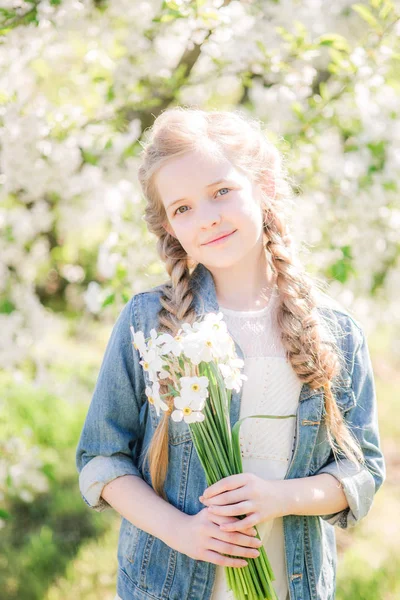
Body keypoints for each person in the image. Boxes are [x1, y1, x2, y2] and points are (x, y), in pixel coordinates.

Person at [75, 107, 386, 600]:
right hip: (168, 585)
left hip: (291, 585)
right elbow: (102, 458)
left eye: (221, 191)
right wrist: (183, 531)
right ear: (169, 227)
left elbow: (361, 471)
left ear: (263, 186)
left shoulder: (334, 331)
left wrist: (279, 498)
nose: (208, 218)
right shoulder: (149, 324)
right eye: (183, 208)